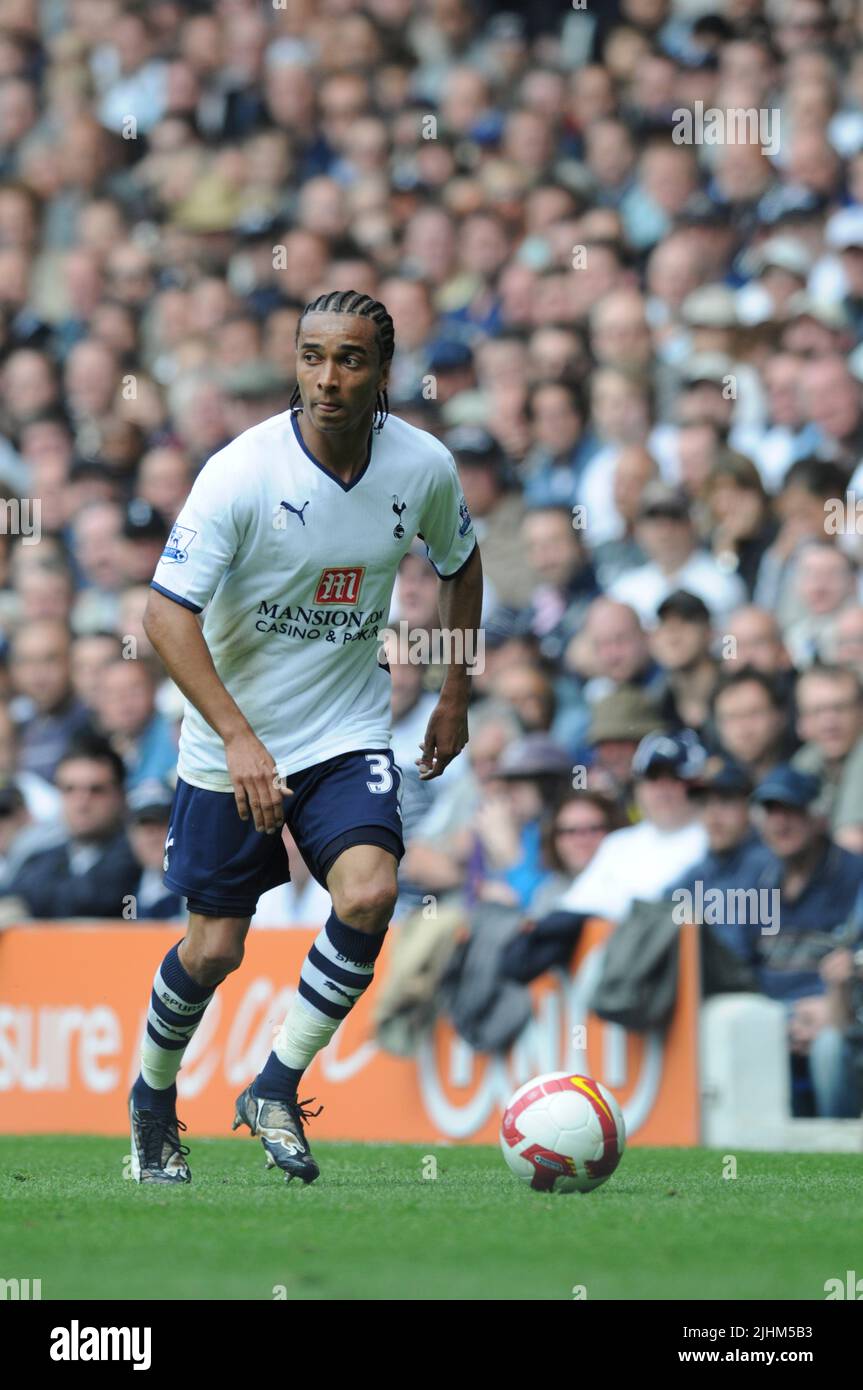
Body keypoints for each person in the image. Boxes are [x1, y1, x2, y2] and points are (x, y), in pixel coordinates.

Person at [129, 290, 483, 1185]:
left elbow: (461, 560)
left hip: (345, 726)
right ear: (295, 363)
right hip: (228, 742)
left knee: (369, 894)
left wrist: (452, 693)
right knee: (214, 950)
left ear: (384, 372)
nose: (329, 378)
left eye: (352, 359)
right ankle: (152, 1101)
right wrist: (240, 740)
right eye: (313, 356)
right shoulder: (241, 473)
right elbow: (167, 617)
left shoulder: (423, 467)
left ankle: (276, 1083)